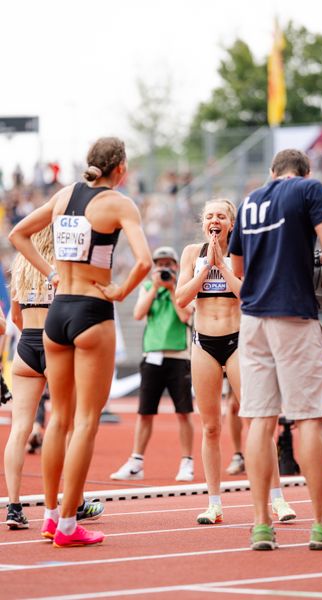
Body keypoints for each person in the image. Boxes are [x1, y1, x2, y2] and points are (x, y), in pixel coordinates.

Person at [8, 136, 152, 548]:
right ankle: (70, 526)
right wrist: (121, 291)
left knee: (58, 420)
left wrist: (52, 274)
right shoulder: (120, 204)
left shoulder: (65, 194)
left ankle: (52, 517)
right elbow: (143, 261)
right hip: (91, 312)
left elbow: (18, 235)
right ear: (120, 168)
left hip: (57, 313)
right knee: (86, 422)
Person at [229, 148, 322, 551]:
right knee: (308, 419)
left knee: (259, 420)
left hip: (252, 318)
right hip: (292, 313)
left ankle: (260, 525)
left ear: (273, 172)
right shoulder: (309, 189)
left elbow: (238, 267)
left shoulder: (250, 199)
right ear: (303, 172)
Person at [176, 198, 295, 525]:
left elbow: (250, 295)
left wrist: (224, 266)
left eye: (222, 216)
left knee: (258, 421)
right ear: (204, 222)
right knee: (211, 426)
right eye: (210, 216)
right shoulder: (191, 253)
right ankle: (214, 503)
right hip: (203, 342)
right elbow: (181, 298)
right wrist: (206, 269)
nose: (215, 220)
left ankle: (277, 499)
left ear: (232, 224)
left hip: (238, 340)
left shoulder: (246, 251)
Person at [4, 228, 104, 530]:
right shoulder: (63, 264)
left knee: (19, 428)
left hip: (25, 347)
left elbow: (16, 317)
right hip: (57, 344)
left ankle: (14, 507)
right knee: (71, 425)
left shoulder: (21, 262)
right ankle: (74, 502)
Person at [110, 246, 195, 482]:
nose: (164, 268)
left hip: (179, 356)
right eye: (160, 264)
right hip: (152, 356)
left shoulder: (184, 289)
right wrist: (157, 288)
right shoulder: (148, 287)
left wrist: (172, 289)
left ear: (177, 267)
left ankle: (187, 462)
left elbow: (185, 316)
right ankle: (136, 462)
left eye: (169, 264)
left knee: (184, 412)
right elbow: (138, 314)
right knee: (144, 412)